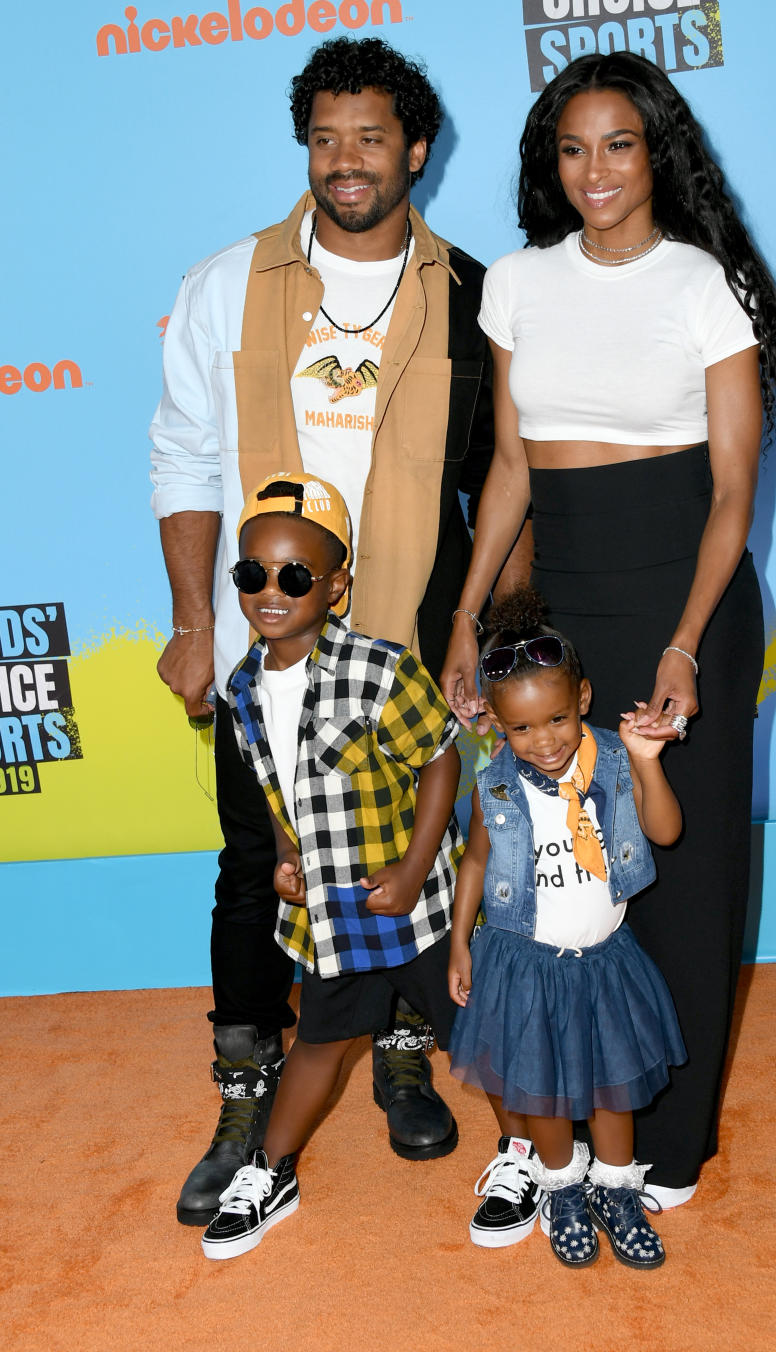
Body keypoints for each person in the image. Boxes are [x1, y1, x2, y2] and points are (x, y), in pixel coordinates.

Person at [150, 36, 523, 1226]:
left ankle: (405, 1046)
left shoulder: (475, 293)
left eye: (370, 137)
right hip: (269, 647)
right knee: (256, 865)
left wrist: (486, 631)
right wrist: (189, 622)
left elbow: (505, 480)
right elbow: (184, 457)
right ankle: (248, 1086)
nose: (346, 160)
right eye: (325, 137)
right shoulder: (227, 284)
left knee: (418, 847)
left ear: (417, 149)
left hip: (413, 632)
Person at [441, 52, 776, 1209]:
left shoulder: (708, 286)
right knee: (569, 879)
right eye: (571, 148)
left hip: (686, 596)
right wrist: (468, 620)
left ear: (658, 155)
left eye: (619, 145)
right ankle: (581, 1128)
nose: (594, 171)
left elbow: (736, 495)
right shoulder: (515, 285)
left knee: (681, 874)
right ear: (551, 164)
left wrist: (687, 645)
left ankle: (668, 1146)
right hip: (565, 604)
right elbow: (507, 469)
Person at [200, 473, 462, 1260]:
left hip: (414, 907)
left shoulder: (380, 669)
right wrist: (284, 854)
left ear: (337, 585)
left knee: (481, 1035)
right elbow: (277, 788)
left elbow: (443, 761)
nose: (269, 592)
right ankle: (269, 1172)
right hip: (330, 916)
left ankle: (543, 1162)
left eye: (294, 576)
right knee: (317, 1041)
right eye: (251, 574)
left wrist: (416, 868)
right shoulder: (241, 689)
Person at [447, 590, 684, 1268]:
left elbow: (666, 831)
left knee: (614, 1084)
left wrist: (645, 761)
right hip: (523, 962)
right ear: (495, 724)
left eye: (556, 718)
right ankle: (562, 1189)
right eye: (522, 729)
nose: (544, 740)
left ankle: (615, 1188)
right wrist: (461, 941)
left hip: (605, 960)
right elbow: (474, 864)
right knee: (541, 1086)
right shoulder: (492, 786)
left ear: (583, 698)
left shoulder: (612, 761)